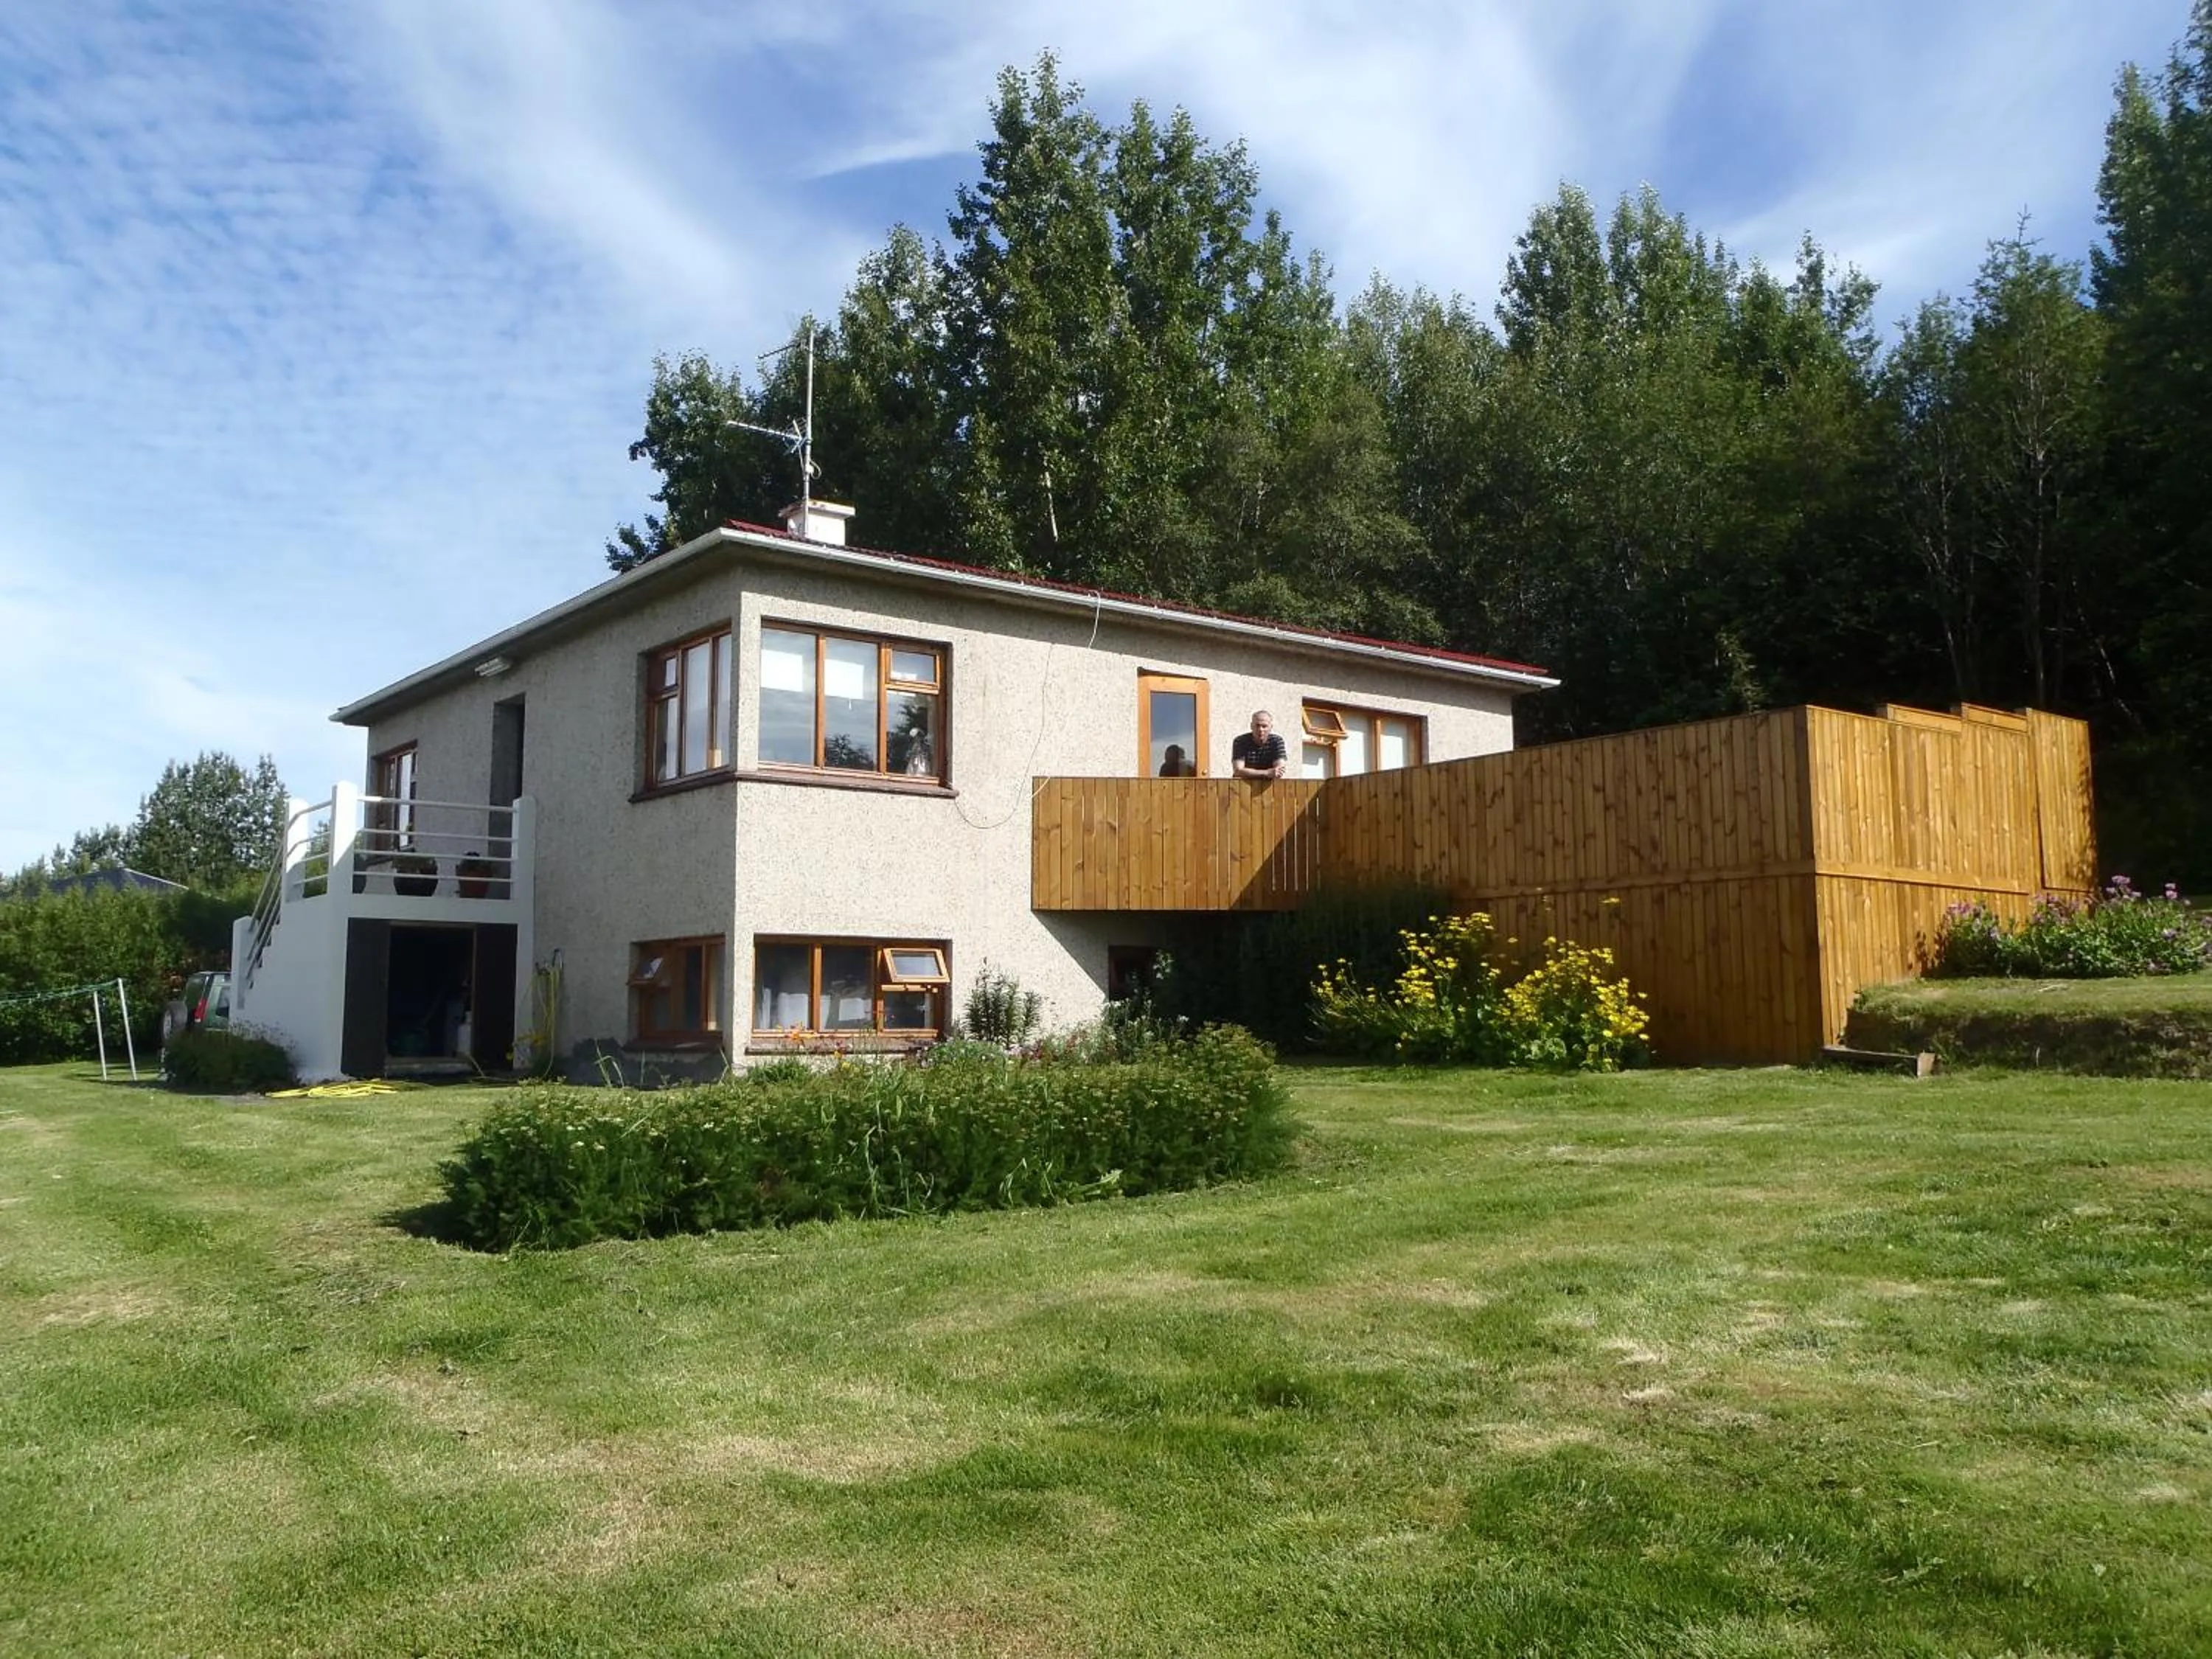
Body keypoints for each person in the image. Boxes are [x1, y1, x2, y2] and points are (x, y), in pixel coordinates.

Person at [1231, 710, 1288, 779]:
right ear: (1251, 726)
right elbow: (1238, 771)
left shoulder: (1276, 741)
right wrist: (1267, 773)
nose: (1261, 729)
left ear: (1271, 727)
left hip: (1270, 785)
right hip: (1244, 784)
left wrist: (1249, 772)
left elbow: (1279, 771)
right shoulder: (1240, 741)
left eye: (1264, 726)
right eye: (1257, 726)